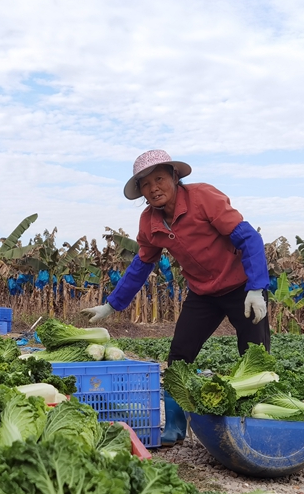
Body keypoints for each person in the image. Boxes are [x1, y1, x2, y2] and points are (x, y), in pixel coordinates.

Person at [82, 149, 270, 447]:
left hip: (241, 287)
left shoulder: (203, 198)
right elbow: (142, 265)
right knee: (179, 355)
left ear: (174, 176)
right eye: (145, 184)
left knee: (254, 354)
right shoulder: (149, 221)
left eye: (159, 179)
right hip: (203, 294)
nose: (153, 188)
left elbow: (248, 237)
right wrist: (111, 304)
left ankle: (259, 422)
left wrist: (256, 288)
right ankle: (175, 427)